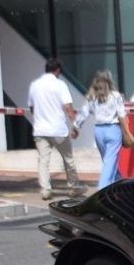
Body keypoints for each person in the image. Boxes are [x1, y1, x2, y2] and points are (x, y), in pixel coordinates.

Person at [26, 57, 82, 199]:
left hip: (40, 130)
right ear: (57, 70)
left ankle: (45, 190)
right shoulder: (60, 85)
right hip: (58, 130)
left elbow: (32, 107)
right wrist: (75, 125)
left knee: (43, 161)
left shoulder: (34, 85)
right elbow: (68, 107)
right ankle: (74, 188)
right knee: (68, 159)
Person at [85, 70, 129, 189]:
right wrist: (127, 130)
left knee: (108, 161)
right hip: (113, 130)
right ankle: (102, 189)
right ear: (109, 80)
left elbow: (84, 112)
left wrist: (76, 126)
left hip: (99, 131)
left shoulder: (92, 96)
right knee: (110, 162)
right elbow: (122, 114)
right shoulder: (115, 96)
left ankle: (122, 184)